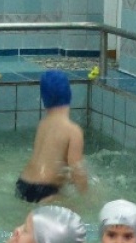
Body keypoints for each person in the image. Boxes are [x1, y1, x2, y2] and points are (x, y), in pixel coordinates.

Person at [15, 70, 87, 203]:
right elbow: (77, 171)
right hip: (45, 190)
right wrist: (87, 196)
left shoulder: (43, 124)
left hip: (22, 184)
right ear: (69, 94)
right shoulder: (73, 131)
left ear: (43, 98)